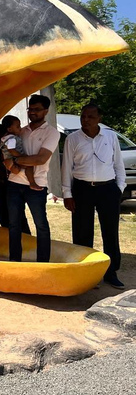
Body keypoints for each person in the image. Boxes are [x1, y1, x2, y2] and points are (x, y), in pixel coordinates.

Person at [62, 104, 126, 289]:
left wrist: (119, 189)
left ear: (99, 118)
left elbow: (118, 164)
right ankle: (86, 272)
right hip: (82, 189)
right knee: (82, 232)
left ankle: (111, 272)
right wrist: (67, 194)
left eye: (90, 116)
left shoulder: (110, 136)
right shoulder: (73, 139)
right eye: (83, 116)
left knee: (110, 232)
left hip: (108, 189)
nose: (85, 120)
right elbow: (66, 167)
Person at [7, 94, 60, 262]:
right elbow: (6, 154)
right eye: (30, 109)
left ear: (46, 111)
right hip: (14, 183)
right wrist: (13, 160)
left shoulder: (51, 133)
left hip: (36, 185)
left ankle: (43, 262)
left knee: (41, 225)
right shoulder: (21, 131)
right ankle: (15, 261)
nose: (32, 113)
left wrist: (15, 161)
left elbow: (40, 159)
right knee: (14, 225)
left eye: (36, 110)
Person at [0, 124, 30, 233]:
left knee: (19, 217)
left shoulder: (13, 146)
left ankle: (26, 240)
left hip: (13, 185)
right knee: (4, 217)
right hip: (0, 186)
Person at [1, 115, 41, 191]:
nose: (20, 128)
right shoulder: (11, 138)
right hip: (14, 157)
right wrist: (22, 157)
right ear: (9, 129)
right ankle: (32, 182)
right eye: (18, 127)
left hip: (10, 159)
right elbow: (11, 150)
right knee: (29, 165)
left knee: (17, 170)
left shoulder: (6, 138)